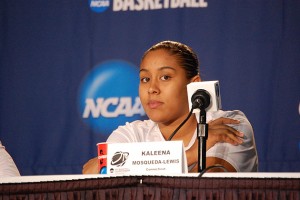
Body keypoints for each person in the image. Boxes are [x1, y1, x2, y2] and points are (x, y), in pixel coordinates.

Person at [82, 40, 258, 174]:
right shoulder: (132, 133)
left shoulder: (227, 124)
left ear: (194, 84)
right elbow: (92, 171)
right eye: (145, 79)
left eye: (165, 77)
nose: (152, 88)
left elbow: (205, 188)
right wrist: (190, 154)